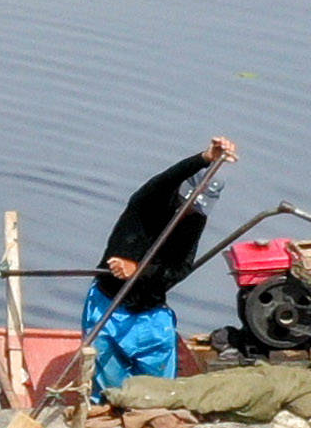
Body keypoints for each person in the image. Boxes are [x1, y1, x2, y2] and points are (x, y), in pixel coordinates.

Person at [81, 135, 233, 392]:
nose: (189, 212)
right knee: (110, 388)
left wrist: (138, 272)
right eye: (187, 204)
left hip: (150, 311)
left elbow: (179, 269)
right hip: (109, 306)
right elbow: (165, 180)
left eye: (196, 209)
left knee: (158, 389)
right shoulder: (147, 203)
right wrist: (204, 159)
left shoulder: (194, 222)